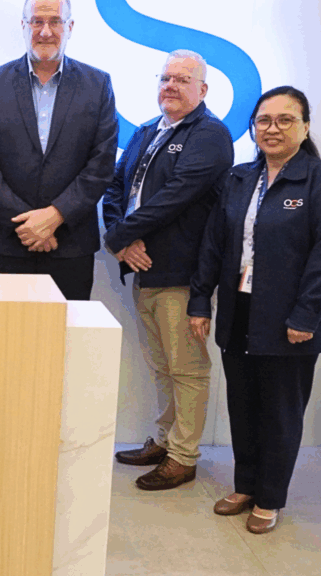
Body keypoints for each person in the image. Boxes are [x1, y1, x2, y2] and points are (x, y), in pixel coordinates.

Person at [188, 86, 321, 534]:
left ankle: (270, 498)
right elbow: (214, 245)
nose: (272, 129)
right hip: (239, 311)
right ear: (253, 127)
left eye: (285, 120)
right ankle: (245, 485)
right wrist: (200, 300)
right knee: (243, 404)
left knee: (280, 411)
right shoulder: (239, 179)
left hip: (289, 319)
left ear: (305, 127)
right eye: (264, 120)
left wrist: (306, 315)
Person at [102, 50, 234, 490]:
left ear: (203, 89)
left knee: (187, 369)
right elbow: (115, 188)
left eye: (182, 79)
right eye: (166, 78)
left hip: (182, 273)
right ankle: (165, 439)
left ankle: (183, 455)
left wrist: (121, 236)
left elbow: (174, 197)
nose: (171, 86)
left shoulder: (210, 135)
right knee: (162, 366)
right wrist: (120, 237)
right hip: (144, 271)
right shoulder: (146, 132)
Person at [0, 0, 118, 300]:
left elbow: (101, 163)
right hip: (3, 244)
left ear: (70, 27)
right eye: (36, 21)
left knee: (65, 342)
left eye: (55, 21)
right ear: (23, 26)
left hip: (69, 245)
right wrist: (27, 223)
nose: (45, 31)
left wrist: (55, 216)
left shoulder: (98, 85)